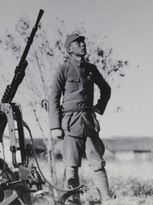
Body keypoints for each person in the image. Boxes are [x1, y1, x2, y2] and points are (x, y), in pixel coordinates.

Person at [49, 33, 112, 204]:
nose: (83, 45)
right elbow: (53, 97)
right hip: (69, 123)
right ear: (70, 49)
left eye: (83, 42)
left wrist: (99, 107)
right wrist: (55, 126)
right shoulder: (64, 69)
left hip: (89, 123)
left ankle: (107, 199)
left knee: (97, 162)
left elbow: (106, 88)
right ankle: (73, 201)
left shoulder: (91, 68)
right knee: (72, 165)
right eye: (78, 43)